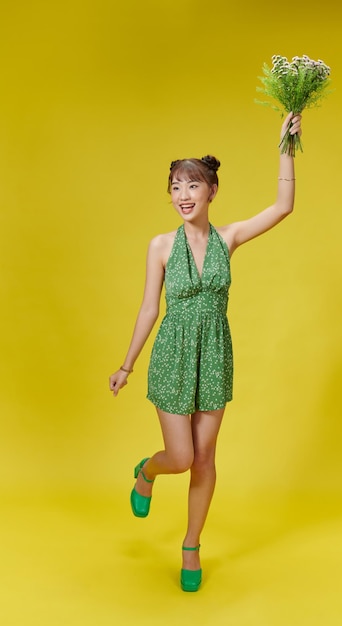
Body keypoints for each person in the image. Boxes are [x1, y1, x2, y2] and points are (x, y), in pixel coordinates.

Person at [109, 112, 302, 592]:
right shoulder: (159, 245)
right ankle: (147, 471)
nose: (183, 195)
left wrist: (286, 145)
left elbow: (283, 207)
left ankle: (191, 545)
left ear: (211, 191)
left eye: (192, 186)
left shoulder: (228, 238)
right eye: (175, 186)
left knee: (205, 457)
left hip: (214, 354)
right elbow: (150, 308)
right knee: (180, 456)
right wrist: (126, 364)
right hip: (173, 355)